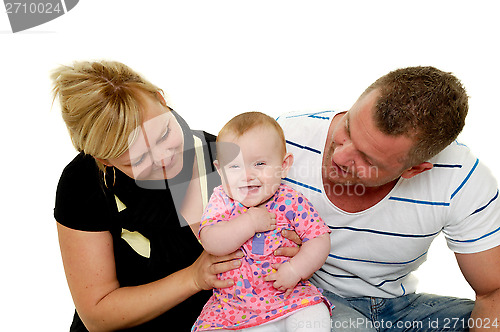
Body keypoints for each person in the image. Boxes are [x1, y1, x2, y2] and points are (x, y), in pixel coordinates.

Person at [51, 61, 300, 331]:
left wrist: (290, 249)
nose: (164, 158)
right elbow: (97, 315)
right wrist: (193, 278)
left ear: (161, 98)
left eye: (164, 134)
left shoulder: (229, 161)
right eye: (139, 158)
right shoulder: (84, 183)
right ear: (106, 160)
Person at [277, 66, 500, 331]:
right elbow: (219, 215)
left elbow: (491, 292)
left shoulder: (462, 179)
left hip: (401, 309)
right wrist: (211, 265)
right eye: (347, 127)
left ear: (413, 170)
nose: (339, 156)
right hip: (313, 299)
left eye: (366, 159)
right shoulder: (283, 137)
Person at [192, 112, 332, 332]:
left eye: (259, 163)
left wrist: (295, 270)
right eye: (235, 167)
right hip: (236, 306)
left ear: (284, 165)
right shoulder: (222, 200)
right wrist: (248, 223)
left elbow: (319, 238)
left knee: (314, 316)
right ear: (220, 171)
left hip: (289, 296)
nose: (247, 175)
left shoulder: (290, 200)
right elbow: (211, 242)